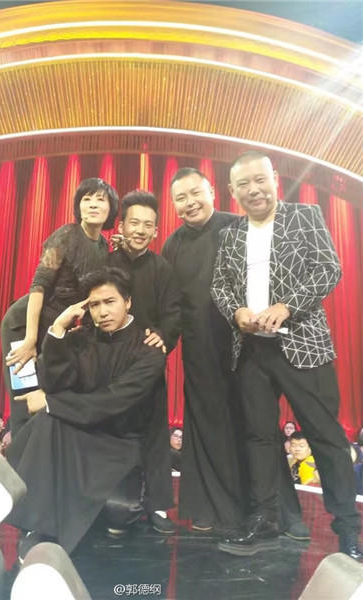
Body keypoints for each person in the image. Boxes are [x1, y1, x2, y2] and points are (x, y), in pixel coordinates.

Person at [210, 150, 362, 559]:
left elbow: (328, 268)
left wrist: (287, 306)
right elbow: (220, 285)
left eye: (260, 180)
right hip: (251, 350)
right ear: (232, 191)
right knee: (260, 437)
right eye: (244, 184)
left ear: (274, 179)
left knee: (326, 437)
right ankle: (266, 519)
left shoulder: (305, 216)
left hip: (303, 344)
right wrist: (236, 312)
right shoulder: (231, 234)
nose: (254, 190)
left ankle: (348, 530)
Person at [6, 267, 166, 556]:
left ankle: (42, 512)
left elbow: (114, 400)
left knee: (121, 512)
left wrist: (51, 402)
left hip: (119, 447)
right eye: (94, 305)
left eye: (110, 302)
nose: (102, 312)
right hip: (78, 434)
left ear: (128, 301)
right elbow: (56, 384)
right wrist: (57, 329)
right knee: (48, 421)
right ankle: (37, 528)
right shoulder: (81, 338)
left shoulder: (149, 349)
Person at [1, 178, 119, 435]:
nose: (93, 204)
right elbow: (38, 286)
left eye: (100, 199)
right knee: (25, 398)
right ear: (78, 206)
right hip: (25, 323)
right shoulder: (66, 235)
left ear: (111, 208)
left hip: (57, 328)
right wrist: (30, 339)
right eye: (86, 199)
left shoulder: (103, 246)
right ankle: (21, 456)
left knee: (49, 397)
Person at [162, 167, 243, 533]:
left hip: (244, 346)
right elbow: (170, 304)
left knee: (247, 425)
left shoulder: (237, 227)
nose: (190, 202)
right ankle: (206, 508)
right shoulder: (173, 245)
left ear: (212, 191)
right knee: (205, 428)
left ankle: (252, 509)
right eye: (181, 198)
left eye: (196, 193)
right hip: (198, 349)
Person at [108, 190, 181, 534]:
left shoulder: (162, 268)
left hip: (148, 363)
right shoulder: (106, 263)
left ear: (156, 231)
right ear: (121, 226)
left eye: (147, 225)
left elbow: (173, 313)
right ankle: (107, 504)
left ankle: (158, 506)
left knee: (154, 434)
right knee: (110, 433)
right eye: (134, 222)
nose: (140, 230)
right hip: (108, 362)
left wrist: (163, 336)